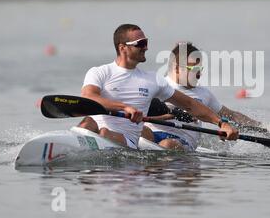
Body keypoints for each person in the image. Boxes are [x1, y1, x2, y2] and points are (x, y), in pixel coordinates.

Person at [77, 24, 238, 149]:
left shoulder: (152, 80)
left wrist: (221, 123)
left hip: (126, 142)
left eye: (146, 42)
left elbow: (190, 104)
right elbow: (88, 97)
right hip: (97, 130)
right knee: (88, 123)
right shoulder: (99, 72)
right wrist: (125, 107)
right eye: (141, 43)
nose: (146, 47)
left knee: (104, 132)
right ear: (122, 48)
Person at [144, 42, 261, 152]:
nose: (199, 74)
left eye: (200, 69)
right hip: (152, 134)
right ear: (177, 69)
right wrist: (172, 115)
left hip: (182, 141)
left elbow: (232, 115)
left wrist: (261, 128)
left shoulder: (204, 94)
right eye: (194, 69)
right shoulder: (157, 86)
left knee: (167, 144)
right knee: (139, 131)